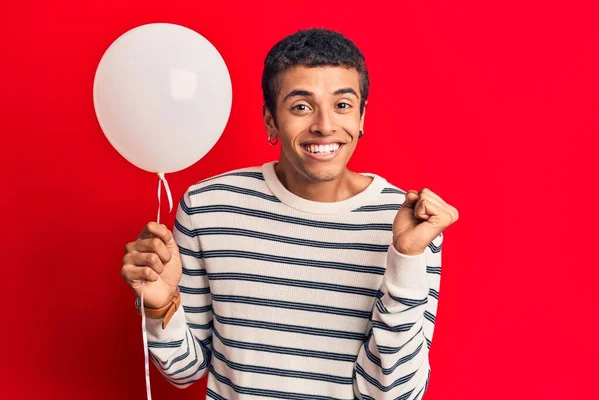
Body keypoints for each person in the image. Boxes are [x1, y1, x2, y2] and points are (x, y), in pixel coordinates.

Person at [121, 27, 459, 400]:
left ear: (362, 117)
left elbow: (394, 394)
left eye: (342, 105)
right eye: (301, 106)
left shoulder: (409, 225)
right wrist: (159, 303)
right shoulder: (208, 207)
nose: (325, 125)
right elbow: (186, 371)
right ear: (270, 120)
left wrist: (405, 261)